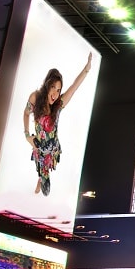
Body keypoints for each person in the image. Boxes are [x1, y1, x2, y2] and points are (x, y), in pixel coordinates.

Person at [23, 52, 92, 196]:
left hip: (52, 147)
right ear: (47, 85)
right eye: (53, 87)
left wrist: (86, 69)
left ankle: (42, 177)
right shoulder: (35, 97)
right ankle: (41, 178)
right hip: (40, 146)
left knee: (45, 177)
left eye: (59, 90)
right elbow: (26, 113)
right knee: (46, 190)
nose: (55, 93)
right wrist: (27, 135)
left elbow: (74, 87)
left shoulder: (58, 105)